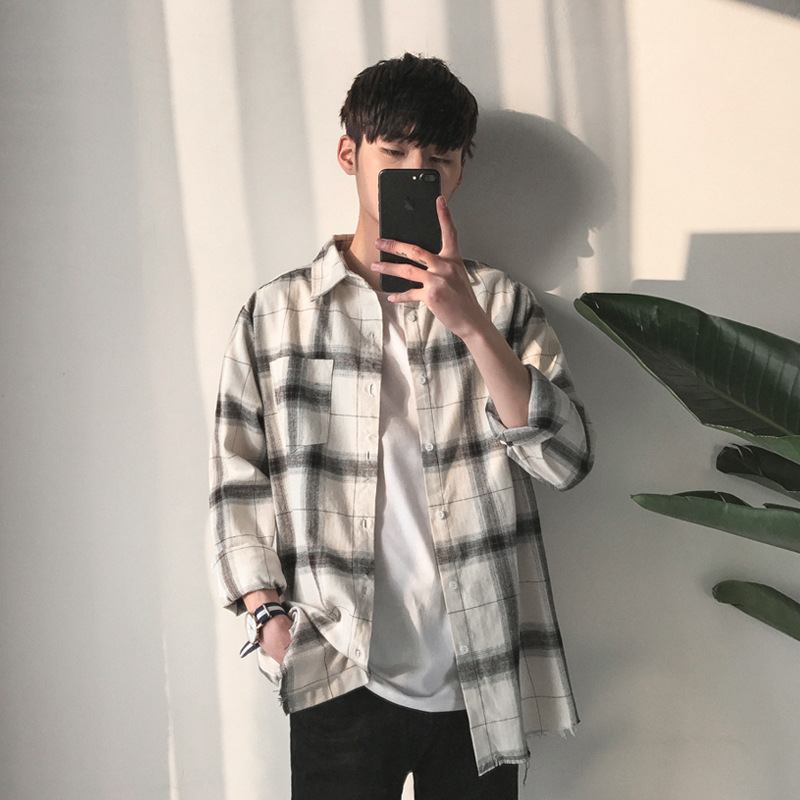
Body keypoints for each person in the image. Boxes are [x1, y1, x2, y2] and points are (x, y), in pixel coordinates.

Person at [209, 53, 594, 800]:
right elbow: (237, 477)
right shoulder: (277, 315)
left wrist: (471, 326)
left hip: (478, 675)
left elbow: (567, 461)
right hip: (337, 667)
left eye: (438, 160)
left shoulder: (500, 305)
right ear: (349, 153)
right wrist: (267, 619)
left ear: (460, 171)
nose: (416, 172)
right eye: (393, 153)